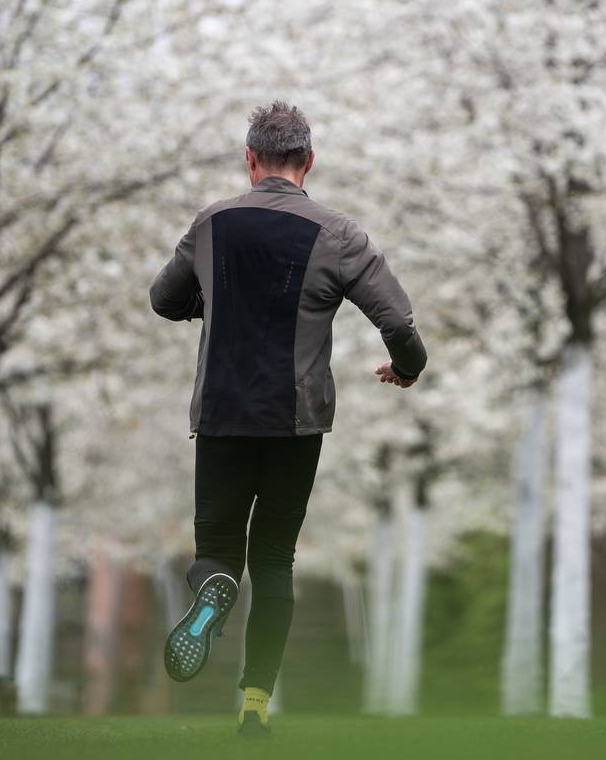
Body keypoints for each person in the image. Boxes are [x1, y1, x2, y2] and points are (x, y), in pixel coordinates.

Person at [149, 101, 427, 737]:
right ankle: (254, 704)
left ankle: (215, 589)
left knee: (218, 548)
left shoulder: (213, 222)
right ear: (310, 160)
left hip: (221, 413)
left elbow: (164, 299)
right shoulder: (339, 233)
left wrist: (212, 301)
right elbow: (398, 323)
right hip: (295, 420)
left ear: (249, 160)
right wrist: (406, 368)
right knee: (274, 558)